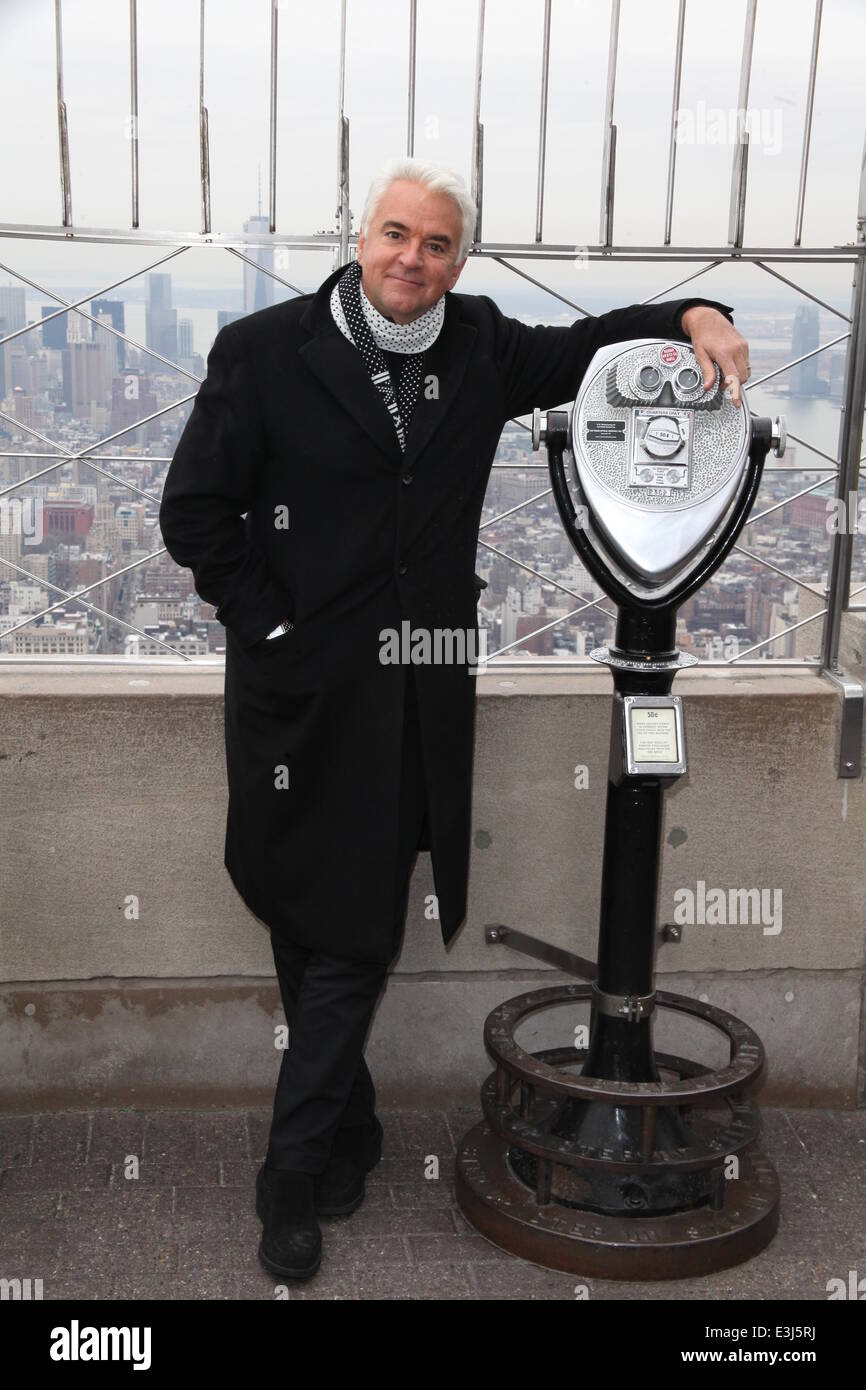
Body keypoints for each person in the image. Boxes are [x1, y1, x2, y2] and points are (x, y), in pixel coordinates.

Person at [158, 156, 750, 1280]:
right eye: (393, 235)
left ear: (456, 260)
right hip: (298, 695)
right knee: (313, 920)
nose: (410, 261)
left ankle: (294, 1172)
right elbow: (194, 512)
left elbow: (593, 341)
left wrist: (696, 306)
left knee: (347, 934)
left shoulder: (479, 345)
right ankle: (346, 1129)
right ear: (360, 235)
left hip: (418, 691)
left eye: (434, 245)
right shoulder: (264, 352)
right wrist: (272, 626)